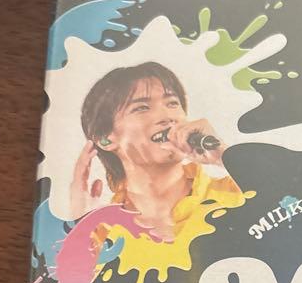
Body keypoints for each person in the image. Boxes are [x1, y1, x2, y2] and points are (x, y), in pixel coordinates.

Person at [70, 61, 229, 240]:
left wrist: (224, 156)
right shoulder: (101, 231)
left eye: (172, 103)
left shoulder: (237, 191)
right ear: (105, 140)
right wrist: (80, 226)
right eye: (142, 108)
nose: (168, 117)